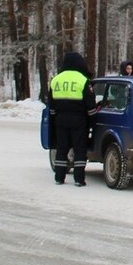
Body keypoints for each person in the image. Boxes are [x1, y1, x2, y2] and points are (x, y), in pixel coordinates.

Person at [48, 51, 98, 186]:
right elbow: (90, 105)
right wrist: (93, 120)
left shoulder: (56, 79)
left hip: (60, 119)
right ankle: (79, 179)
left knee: (62, 148)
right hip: (79, 119)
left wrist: (54, 118)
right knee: (79, 149)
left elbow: (51, 104)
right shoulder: (83, 80)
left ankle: (59, 177)